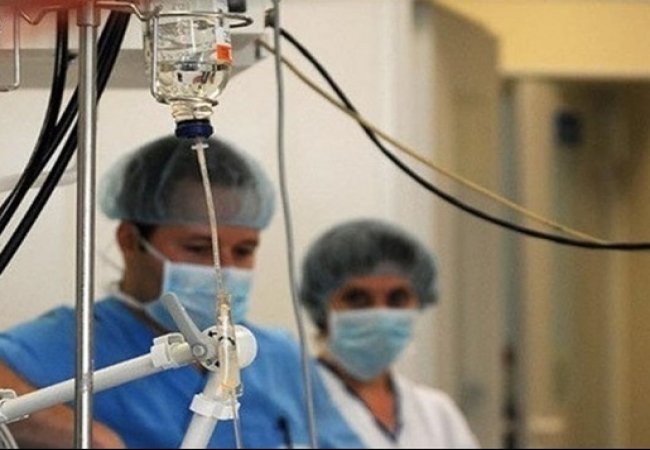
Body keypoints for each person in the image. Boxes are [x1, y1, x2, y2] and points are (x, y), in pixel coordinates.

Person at [0, 135, 364, 449]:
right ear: (130, 240)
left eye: (244, 251)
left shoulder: (278, 359)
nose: (225, 269)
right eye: (199, 248)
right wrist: (90, 437)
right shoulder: (69, 343)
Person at [299, 219, 479, 449]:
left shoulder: (438, 415)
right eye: (358, 298)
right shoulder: (293, 407)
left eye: (397, 298)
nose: (380, 313)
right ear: (322, 307)